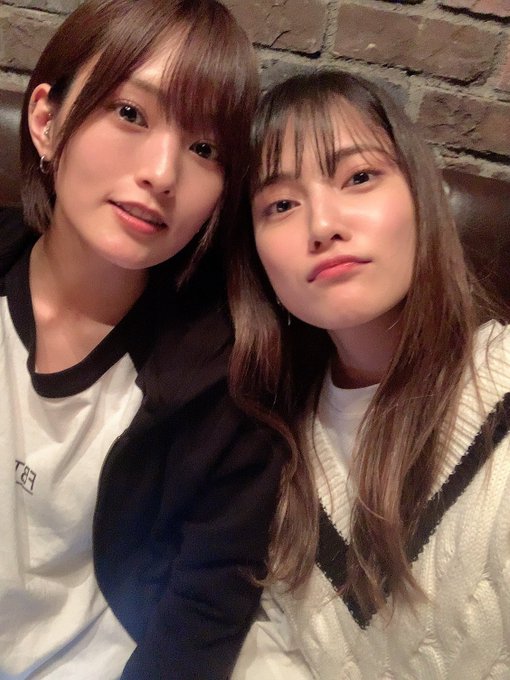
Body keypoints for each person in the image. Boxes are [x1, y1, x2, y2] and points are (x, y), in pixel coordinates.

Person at [0, 1, 285, 678]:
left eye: (205, 149)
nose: (163, 173)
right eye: (131, 112)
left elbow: (207, 608)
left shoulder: (224, 378)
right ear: (47, 120)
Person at [228, 70, 510, 679]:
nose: (322, 225)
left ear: (422, 197)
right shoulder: (269, 444)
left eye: (358, 177)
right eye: (281, 205)